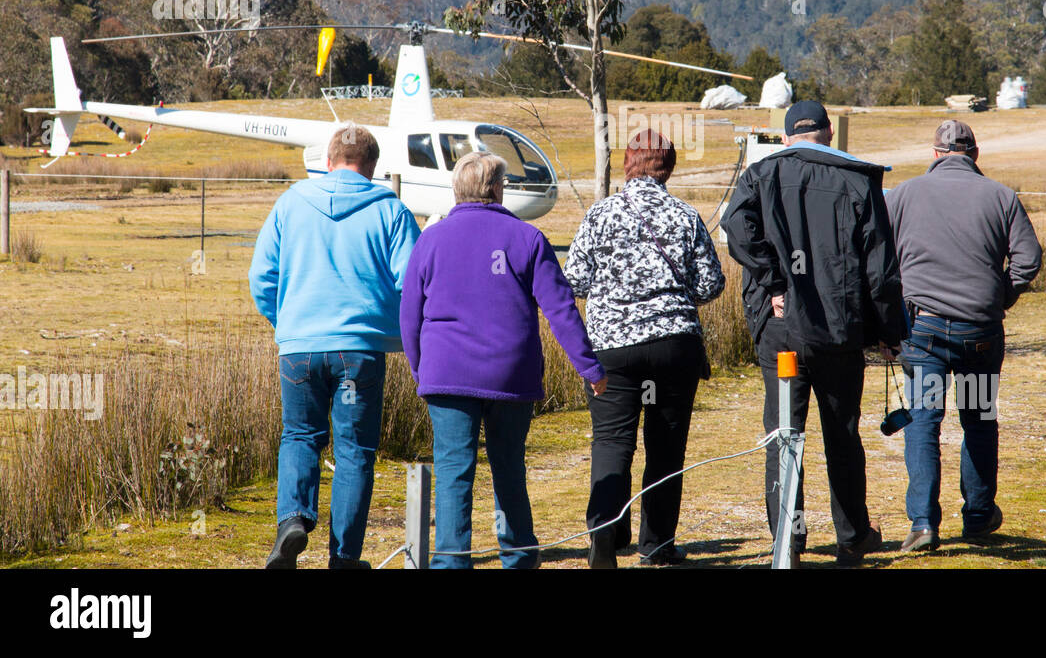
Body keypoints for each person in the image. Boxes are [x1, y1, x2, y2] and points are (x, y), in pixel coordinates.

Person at [400, 151, 607, 569]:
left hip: (447, 373)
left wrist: (419, 367)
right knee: (509, 467)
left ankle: (452, 561)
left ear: (458, 189)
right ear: (497, 189)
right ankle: (517, 555)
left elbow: (409, 312)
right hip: (510, 374)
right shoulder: (528, 238)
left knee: (454, 471)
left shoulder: (431, 239)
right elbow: (561, 309)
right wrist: (589, 367)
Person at [722, 100, 906, 567]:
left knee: (784, 435)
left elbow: (735, 229)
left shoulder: (760, 175)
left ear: (785, 139)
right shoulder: (860, 180)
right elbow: (880, 271)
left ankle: (788, 542)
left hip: (779, 331)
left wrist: (773, 281)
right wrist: (889, 331)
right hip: (840, 334)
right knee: (842, 436)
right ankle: (851, 539)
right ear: (829, 133)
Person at [249, 124, 421, 569]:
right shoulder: (391, 211)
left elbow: (261, 278)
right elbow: (415, 284)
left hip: (299, 348)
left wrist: (285, 320)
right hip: (360, 349)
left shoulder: (290, 204)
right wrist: (404, 333)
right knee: (354, 452)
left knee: (300, 436)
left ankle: (292, 519)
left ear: (327, 162)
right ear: (374, 167)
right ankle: (344, 558)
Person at [565, 128, 726, 569]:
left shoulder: (600, 215)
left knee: (612, 442)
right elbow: (711, 284)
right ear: (669, 168)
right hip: (674, 348)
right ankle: (656, 544)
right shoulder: (686, 216)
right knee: (665, 446)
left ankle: (604, 539)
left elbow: (574, 281)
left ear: (627, 165)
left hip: (612, 349)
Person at [884, 119, 1041, 553]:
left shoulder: (903, 195)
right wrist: (998, 299)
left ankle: (922, 523)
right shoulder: (1002, 196)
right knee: (976, 419)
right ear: (975, 154)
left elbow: (881, 262)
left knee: (923, 423)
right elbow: (1028, 260)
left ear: (934, 154)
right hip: (980, 332)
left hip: (923, 328)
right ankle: (976, 514)